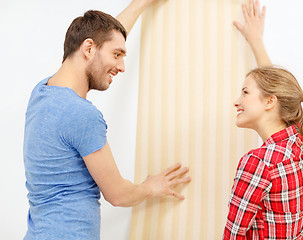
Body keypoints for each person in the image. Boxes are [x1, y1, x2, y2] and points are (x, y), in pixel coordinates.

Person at [23, 0, 191, 239]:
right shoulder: (81, 114)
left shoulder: (41, 93)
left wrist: (140, 3)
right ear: (88, 49)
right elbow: (118, 194)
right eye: (117, 55)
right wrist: (149, 187)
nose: (122, 67)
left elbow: (103, 39)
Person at [223, 1, 303, 239]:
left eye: (245, 92)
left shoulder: (258, 162)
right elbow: (277, 89)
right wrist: (256, 41)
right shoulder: (300, 141)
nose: (236, 101)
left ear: (270, 102)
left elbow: (233, 235)